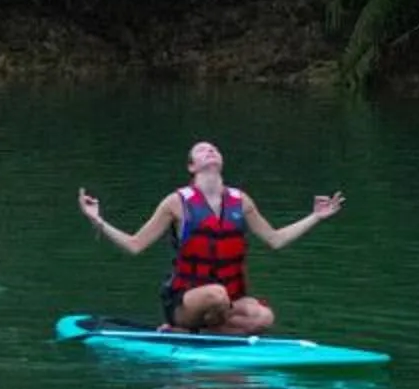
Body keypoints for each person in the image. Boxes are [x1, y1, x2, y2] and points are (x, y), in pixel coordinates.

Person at [76, 140, 343, 334]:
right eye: (202, 150)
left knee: (263, 317)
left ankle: (194, 335)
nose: (210, 151)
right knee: (216, 294)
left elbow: (276, 239)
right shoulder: (176, 203)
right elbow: (135, 245)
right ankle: (182, 325)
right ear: (192, 167)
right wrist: (97, 220)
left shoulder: (241, 201)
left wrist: (315, 217)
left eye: (214, 148)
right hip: (186, 301)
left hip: (227, 300)